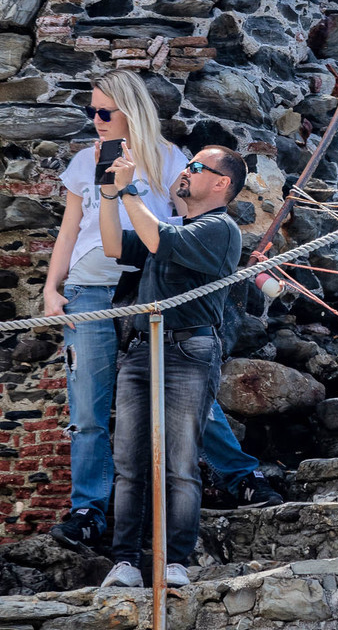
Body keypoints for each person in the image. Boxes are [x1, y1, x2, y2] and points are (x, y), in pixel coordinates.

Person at [42, 74, 273, 548]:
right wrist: (51, 288)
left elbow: (181, 230)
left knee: (187, 393)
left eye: (105, 112)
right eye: (92, 112)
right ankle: (88, 510)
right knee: (88, 406)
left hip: (148, 291)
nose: (96, 121)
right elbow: (69, 232)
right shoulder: (85, 162)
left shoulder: (171, 162)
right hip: (89, 291)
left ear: (132, 111)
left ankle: (239, 475)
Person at [99, 143, 253, 591]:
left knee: (181, 462)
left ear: (220, 183)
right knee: (129, 461)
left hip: (189, 353)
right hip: (141, 351)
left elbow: (159, 241)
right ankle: (124, 562)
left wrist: (129, 194)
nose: (185, 171)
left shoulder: (221, 229)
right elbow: (113, 245)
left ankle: (175, 562)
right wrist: (111, 194)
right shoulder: (167, 227)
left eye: (195, 167)